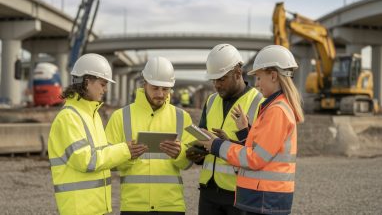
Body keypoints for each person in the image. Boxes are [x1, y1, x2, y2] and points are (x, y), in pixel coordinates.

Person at [198, 45, 304, 215]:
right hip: (263, 197)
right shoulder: (274, 107)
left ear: (274, 76)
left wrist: (217, 145)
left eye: (259, 78)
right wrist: (243, 133)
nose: (257, 84)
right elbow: (261, 150)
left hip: (265, 199)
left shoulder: (277, 110)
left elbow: (255, 158)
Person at [105, 56, 194, 215]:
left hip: (171, 206)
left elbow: (188, 164)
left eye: (165, 89)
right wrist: (127, 155)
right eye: (155, 88)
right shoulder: (120, 117)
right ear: (144, 83)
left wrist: (179, 154)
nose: (160, 94)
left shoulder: (182, 117)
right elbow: (108, 162)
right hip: (134, 206)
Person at [48, 53, 132, 215]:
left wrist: (128, 156)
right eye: (103, 84)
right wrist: (124, 150)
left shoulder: (92, 115)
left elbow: (102, 156)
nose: (105, 89)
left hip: (95, 207)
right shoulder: (69, 117)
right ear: (87, 82)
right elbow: (87, 160)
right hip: (78, 208)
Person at [186, 44, 263, 215]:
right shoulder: (211, 101)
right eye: (213, 80)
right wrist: (197, 154)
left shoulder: (258, 102)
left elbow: (259, 154)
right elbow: (203, 138)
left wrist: (227, 144)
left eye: (221, 79)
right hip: (208, 192)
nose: (216, 85)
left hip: (239, 193)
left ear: (237, 73)